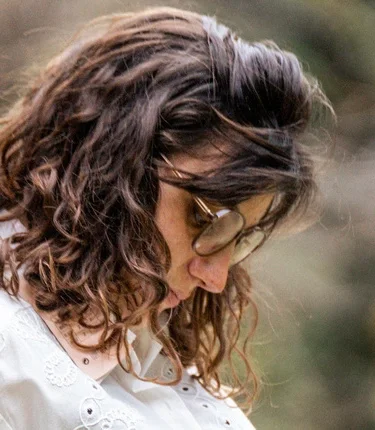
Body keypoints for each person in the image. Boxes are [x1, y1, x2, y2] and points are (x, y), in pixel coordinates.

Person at [0, 7, 330, 430]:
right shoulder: (14, 358)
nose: (216, 278)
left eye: (240, 238)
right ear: (110, 168)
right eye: (205, 219)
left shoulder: (159, 359)